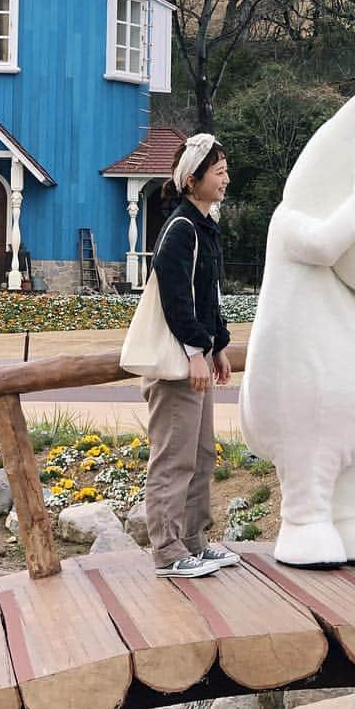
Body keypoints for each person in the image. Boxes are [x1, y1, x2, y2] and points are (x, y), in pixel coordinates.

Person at [144, 133, 239, 579]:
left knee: (201, 453)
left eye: (223, 171)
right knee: (173, 456)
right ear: (192, 179)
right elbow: (175, 297)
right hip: (178, 365)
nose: (225, 179)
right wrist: (196, 350)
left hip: (197, 358)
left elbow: (209, 297)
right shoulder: (181, 228)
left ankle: (194, 540)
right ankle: (166, 549)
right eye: (218, 172)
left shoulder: (204, 225)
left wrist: (217, 345)